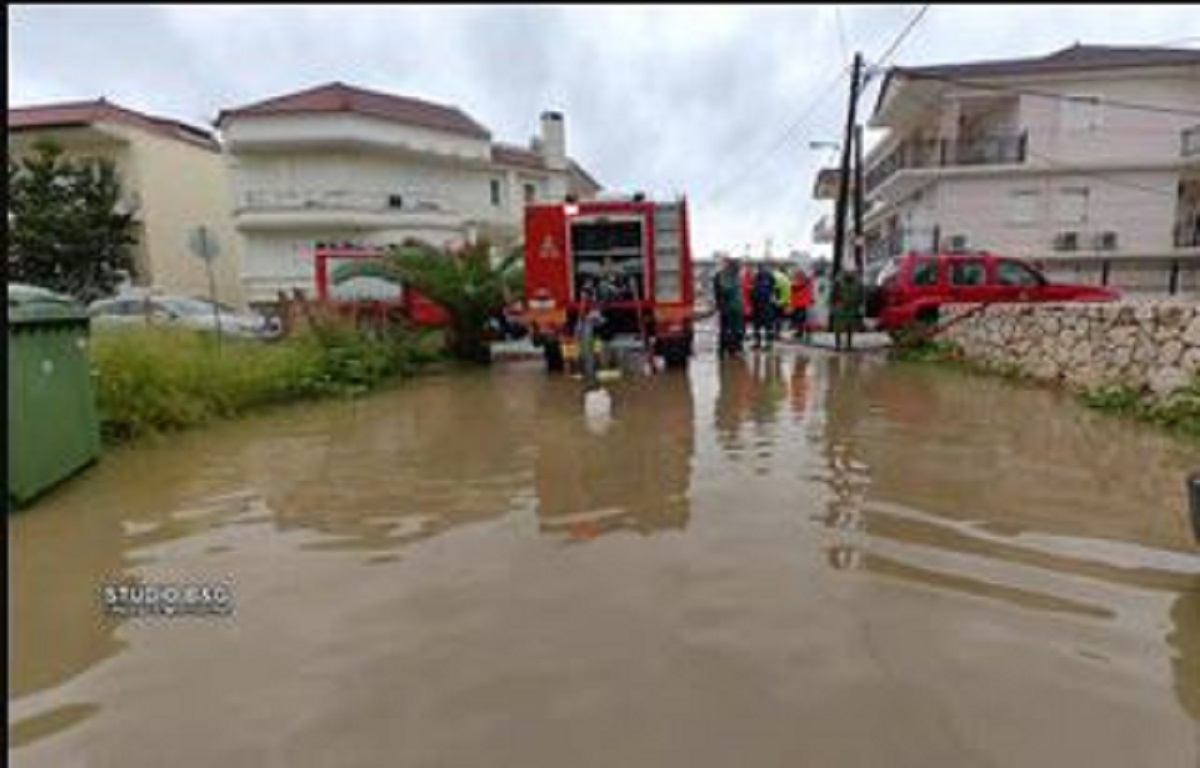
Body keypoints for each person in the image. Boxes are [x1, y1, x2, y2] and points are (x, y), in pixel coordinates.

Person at [712, 256, 745, 359]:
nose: (739, 268)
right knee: (729, 330)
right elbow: (725, 290)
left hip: (734, 307)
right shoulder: (724, 275)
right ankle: (729, 350)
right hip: (729, 307)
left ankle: (730, 349)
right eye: (738, 266)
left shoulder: (734, 275)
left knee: (733, 329)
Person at [830, 269, 864, 351]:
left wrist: (859, 306)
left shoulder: (858, 283)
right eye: (847, 272)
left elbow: (861, 296)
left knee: (850, 328)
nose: (849, 274)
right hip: (840, 308)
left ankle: (849, 345)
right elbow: (833, 295)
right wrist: (834, 305)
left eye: (851, 272)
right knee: (838, 328)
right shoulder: (838, 283)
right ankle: (837, 345)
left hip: (852, 308)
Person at [750, 263, 777, 350]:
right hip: (760, 306)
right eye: (761, 268)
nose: (762, 270)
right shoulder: (758, 278)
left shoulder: (768, 278)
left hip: (765, 306)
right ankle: (760, 343)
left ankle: (766, 344)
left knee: (765, 326)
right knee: (759, 326)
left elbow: (773, 290)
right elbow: (753, 291)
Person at [790, 268, 813, 341]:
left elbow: (795, 288)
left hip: (801, 304)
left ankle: (803, 333)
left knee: (802, 319)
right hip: (801, 303)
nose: (796, 276)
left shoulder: (800, 283)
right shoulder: (807, 282)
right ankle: (802, 333)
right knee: (802, 319)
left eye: (797, 275)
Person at [772, 264, 791, 342]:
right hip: (781, 301)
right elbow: (788, 291)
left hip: (773, 300)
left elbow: (774, 288)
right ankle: (777, 334)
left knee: (773, 318)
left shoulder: (774, 275)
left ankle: (773, 333)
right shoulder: (785, 278)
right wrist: (787, 302)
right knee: (779, 318)